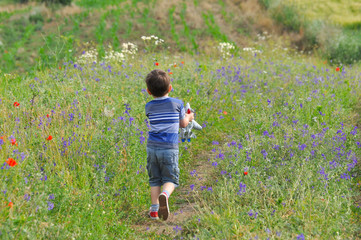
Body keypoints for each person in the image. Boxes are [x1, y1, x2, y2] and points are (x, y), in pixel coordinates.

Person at [144, 69, 194, 220]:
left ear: (148, 91)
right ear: (170, 88)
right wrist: (190, 116)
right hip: (169, 148)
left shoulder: (149, 106)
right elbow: (183, 124)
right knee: (171, 179)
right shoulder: (177, 103)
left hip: (152, 148)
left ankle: (154, 211)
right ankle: (164, 195)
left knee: (154, 179)